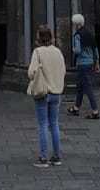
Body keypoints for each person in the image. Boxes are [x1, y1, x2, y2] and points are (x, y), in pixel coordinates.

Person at [25, 24, 66, 169]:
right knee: (54, 124)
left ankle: (43, 158)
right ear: (51, 37)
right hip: (56, 92)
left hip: (43, 92)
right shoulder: (58, 52)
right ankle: (56, 156)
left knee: (43, 125)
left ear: (39, 38)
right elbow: (63, 70)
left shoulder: (38, 52)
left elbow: (31, 73)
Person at [66, 13, 100, 120]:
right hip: (90, 62)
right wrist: (97, 62)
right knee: (80, 86)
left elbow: (78, 50)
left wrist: (73, 50)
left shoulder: (77, 35)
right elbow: (95, 49)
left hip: (82, 63)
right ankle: (76, 107)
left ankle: (95, 111)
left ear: (76, 24)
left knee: (87, 87)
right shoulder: (89, 33)